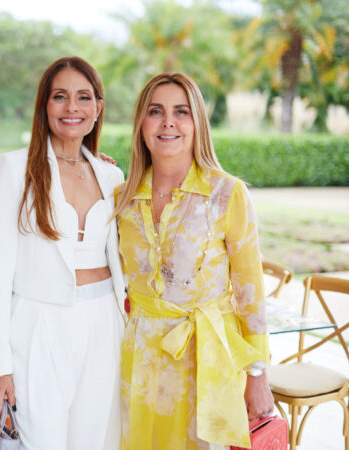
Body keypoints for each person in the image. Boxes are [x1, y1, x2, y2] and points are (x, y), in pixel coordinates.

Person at [114, 73, 274, 449]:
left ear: (198, 122)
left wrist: (258, 374)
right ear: (141, 123)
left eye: (181, 112)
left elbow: (250, 291)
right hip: (139, 359)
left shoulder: (227, 194)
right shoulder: (120, 198)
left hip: (207, 362)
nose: (168, 122)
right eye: (156, 111)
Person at [0, 56, 126, 450]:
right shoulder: (12, 169)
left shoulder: (112, 175)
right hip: (38, 323)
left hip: (103, 325)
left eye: (83, 97)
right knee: (39, 440)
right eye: (60, 96)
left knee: (94, 441)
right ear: (44, 105)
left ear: (98, 108)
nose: (71, 107)